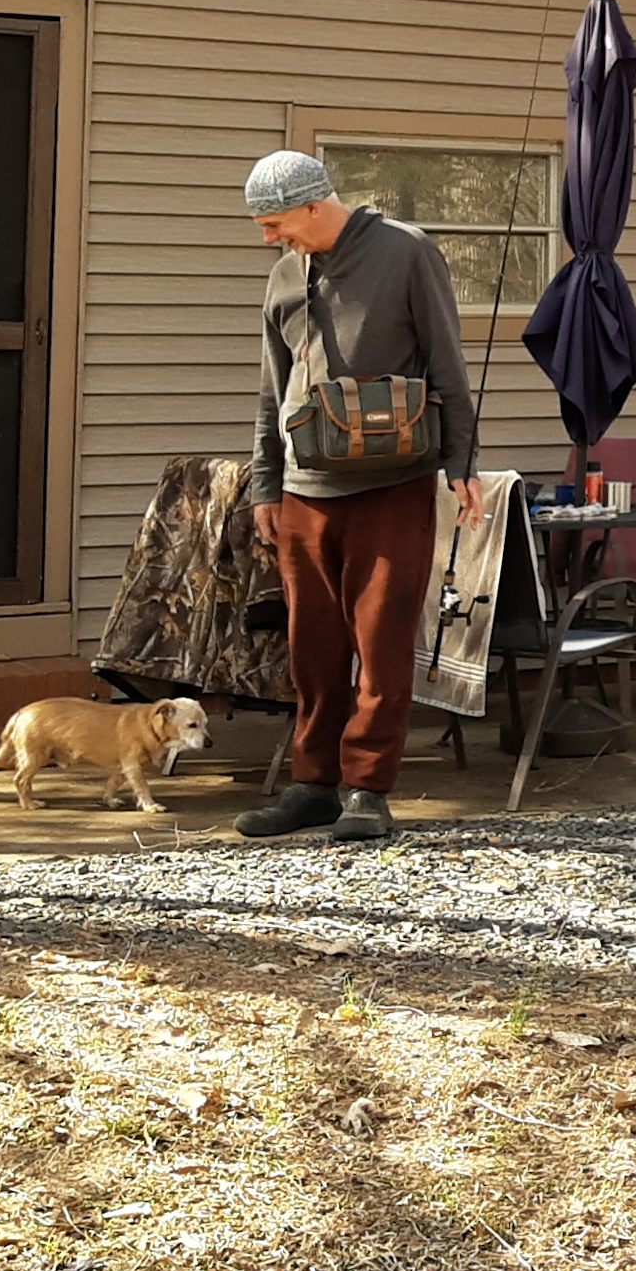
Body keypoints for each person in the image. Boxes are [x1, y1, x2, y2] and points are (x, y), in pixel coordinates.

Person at [233, 151, 482, 843]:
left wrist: (461, 459)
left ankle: (368, 790)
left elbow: (447, 361)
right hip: (305, 493)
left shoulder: (406, 253)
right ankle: (312, 785)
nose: (269, 237)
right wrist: (266, 485)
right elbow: (269, 392)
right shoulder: (285, 277)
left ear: (315, 205)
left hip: (391, 484)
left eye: (276, 223)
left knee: (381, 642)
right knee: (312, 647)